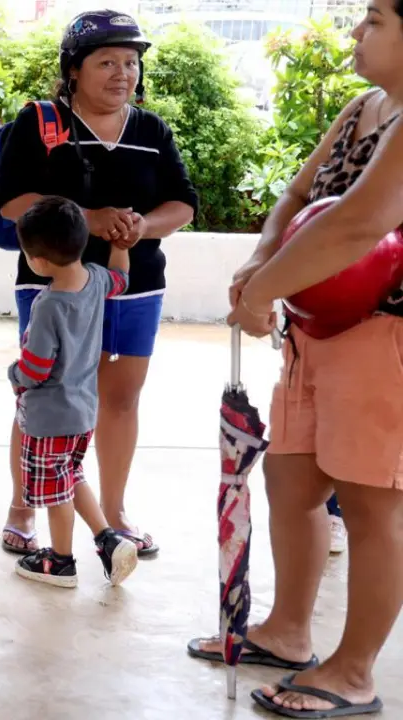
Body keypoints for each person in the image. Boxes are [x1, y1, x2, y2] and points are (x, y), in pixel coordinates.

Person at [189, 1, 403, 715]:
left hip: (384, 338)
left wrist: (262, 292)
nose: (356, 32)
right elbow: (301, 194)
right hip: (315, 329)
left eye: (374, 19)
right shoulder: (362, 107)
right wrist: (259, 264)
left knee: (374, 506)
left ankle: (353, 672)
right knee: (290, 480)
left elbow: (360, 223)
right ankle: (287, 631)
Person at [0, 10, 198, 558]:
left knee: (122, 400)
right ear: (74, 70)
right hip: (51, 285)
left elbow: (183, 203)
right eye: (106, 62)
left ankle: (115, 510)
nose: (122, 73)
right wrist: (90, 217)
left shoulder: (152, 131)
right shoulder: (40, 123)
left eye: (130, 63)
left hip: (136, 285)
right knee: (43, 395)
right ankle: (23, 507)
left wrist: (138, 227)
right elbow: (11, 201)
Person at [7, 197, 139, 588]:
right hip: (83, 412)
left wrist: (14, 375)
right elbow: (122, 279)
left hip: (50, 416)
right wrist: (121, 246)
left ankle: (61, 560)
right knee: (70, 475)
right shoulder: (96, 280)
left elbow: (36, 368)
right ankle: (108, 538)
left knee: (54, 494)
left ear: (38, 261)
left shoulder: (48, 305)